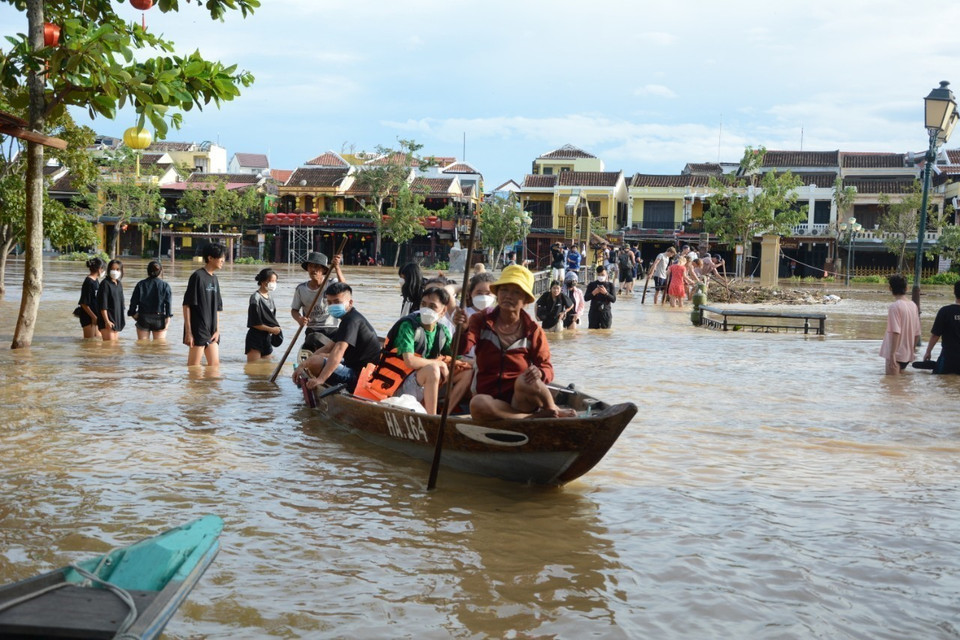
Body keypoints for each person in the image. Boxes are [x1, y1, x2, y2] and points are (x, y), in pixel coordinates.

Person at [457, 264, 575, 421]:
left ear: (525, 300)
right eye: (504, 290)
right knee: (477, 403)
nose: (508, 296)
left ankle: (552, 408)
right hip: (491, 401)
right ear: (497, 294)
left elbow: (547, 368)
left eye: (516, 292)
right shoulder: (480, 321)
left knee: (526, 379)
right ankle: (530, 418)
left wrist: (539, 373)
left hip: (521, 400)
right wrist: (462, 330)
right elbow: (460, 349)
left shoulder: (533, 330)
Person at [379, 288, 472, 414]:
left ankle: (445, 414)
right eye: (423, 304)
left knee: (467, 372)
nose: (426, 309)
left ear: (443, 311)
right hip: (399, 385)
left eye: (432, 306)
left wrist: (472, 362)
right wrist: (438, 363)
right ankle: (431, 417)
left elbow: (451, 357)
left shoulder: (442, 331)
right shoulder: (408, 326)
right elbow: (410, 361)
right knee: (433, 369)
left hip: (424, 382)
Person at [295, 282, 381, 392]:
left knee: (315, 362)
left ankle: (329, 385)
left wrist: (321, 379)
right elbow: (328, 347)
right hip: (354, 367)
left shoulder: (351, 321)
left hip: (361, 376)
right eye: (329, 302)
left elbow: (338, 351)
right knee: (317, 357)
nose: (332, 306)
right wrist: (302, 365)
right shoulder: (348, 319)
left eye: (337, 302)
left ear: (350, 302)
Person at [292, 251, 345, 352]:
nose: (313, 270)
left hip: (332, 328)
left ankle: (332, 351)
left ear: (324, 270)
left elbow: (345, 289)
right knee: (314, 338)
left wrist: (337, 268)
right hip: (313, 330)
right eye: (311, 266)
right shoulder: (301, 289)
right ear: (307, 268)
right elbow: (294, 310)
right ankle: (331, 351)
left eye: (317, 267)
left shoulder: (331, 284)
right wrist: (299, 319)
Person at [183, 243, 225, 366]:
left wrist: (217, 330)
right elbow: (187, 305)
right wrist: (188, 332)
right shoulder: (197, 277)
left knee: (214, 368)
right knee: (193, 368)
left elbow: (217, 307)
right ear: (210, 258)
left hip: (212, 330)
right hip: (198, 328)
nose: (223, 260)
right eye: (220, 257)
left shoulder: (214, 279)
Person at [879, 274, 921, 375]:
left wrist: (892, 354)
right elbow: (917, 332)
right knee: (902, 386)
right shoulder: (913, 305)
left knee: (892, 386)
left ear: (890, 288)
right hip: (907, 354)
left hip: (896, 354)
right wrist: (912, 351)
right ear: (907, 288)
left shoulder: (895, 307)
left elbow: (895, 331)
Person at [921, 280, 960, 374]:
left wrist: (928, 352)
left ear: (954, 292)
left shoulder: (945, 311)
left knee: (941, 381)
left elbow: (935, 335)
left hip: (948, 358)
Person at [128, 260, 173, 340]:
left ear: (148, 271)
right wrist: (167, 321)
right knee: (159, 347)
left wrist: (133, 314)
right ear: (160, 272)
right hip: (159, 318)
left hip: (143, 317)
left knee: (142, 347)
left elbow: (133, 302)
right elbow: (168, 305)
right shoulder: (165, 286)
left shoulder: (140, 284)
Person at [246, 268, 282, 363]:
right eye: (272, 281)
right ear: (263, 282)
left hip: (267, 338)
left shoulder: (270, 298)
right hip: (255, 338)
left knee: (266, 369)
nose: (274, 284)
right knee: (254, 369)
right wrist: (272, 330)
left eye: (275, 281)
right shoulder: (255, 298)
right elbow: (254, 323)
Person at [97, 259, 125, 341]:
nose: (115, 271)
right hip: (107, 321)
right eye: (113, 269)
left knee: (115, 347)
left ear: (121, 271)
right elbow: (103, 305)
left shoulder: (119, 284)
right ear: (109, 270)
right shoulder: (105, 284)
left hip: (117, 320)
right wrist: (107, 321)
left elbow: (121, 304)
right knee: (109, 347)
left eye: (117, 269)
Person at [77, 257, 104, 339]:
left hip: (95, 316)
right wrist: (94, 317)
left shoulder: (96, 280)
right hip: (88, 317)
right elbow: (83, 303)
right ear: (99, 269)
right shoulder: (88, 282)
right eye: (103, 269)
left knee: (97, 342)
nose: (103, 271)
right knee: (89, 342)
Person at [584, 264, 616, 329]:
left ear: (606, 274)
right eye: (599, 275)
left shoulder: (610, 285)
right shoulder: (592, 284)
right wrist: (594, 292)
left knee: (605, 334)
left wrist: (606, 293)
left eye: (603, 274)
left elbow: (613, 299)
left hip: (606, 312)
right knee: (592, 333)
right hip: (594, 312)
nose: (601, 276)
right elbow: (586, 298)